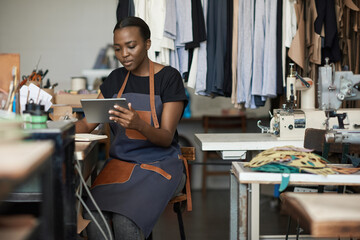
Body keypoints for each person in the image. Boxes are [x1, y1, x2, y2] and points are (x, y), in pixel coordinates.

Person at [76, 16, 188, 240]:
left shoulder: (169, 78)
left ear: (147, 44)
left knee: (125, 220)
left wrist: (139, 124)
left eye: (131, 46)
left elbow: (166, 138)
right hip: (121, 166)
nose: (124, 54)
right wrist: (51, 127)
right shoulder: (115, 79)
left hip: (161, 166)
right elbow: (87, 123)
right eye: (118, 49)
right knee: (91, 215)